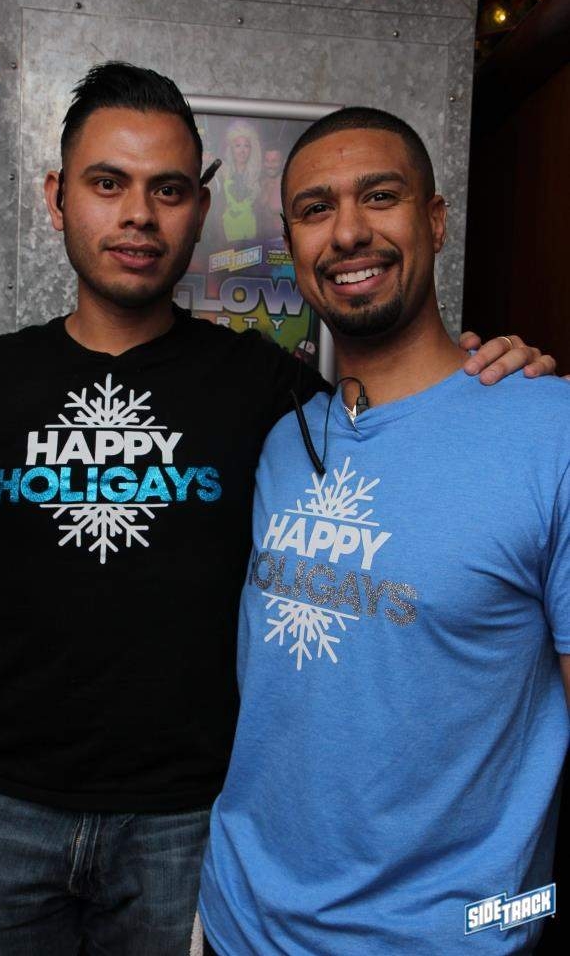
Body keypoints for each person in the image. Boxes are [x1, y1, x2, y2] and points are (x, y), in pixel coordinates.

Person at [0, 62, 554, 955]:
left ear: (201, 211)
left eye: (168, 189)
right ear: (56, 198)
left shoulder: (267, 391)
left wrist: (502, 370)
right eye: (107, 184)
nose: (139, 215)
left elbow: (405, 406)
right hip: (4, 809)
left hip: (185, 826)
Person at [199, 108, 570, 955]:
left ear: (435, 220)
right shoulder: (284, 441)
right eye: (316, 209)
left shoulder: (551, 434)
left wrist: (524, 914)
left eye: (380, 196)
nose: (348, 233)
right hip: (236, 920)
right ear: (293, 244)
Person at [221, 120, 261, 242]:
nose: (242, 151)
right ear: (231, 149)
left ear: (251, 149)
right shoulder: (223, 171)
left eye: (246, 146)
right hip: (227, 232)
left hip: (251, 231)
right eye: (238, 146)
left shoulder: (257, 175)